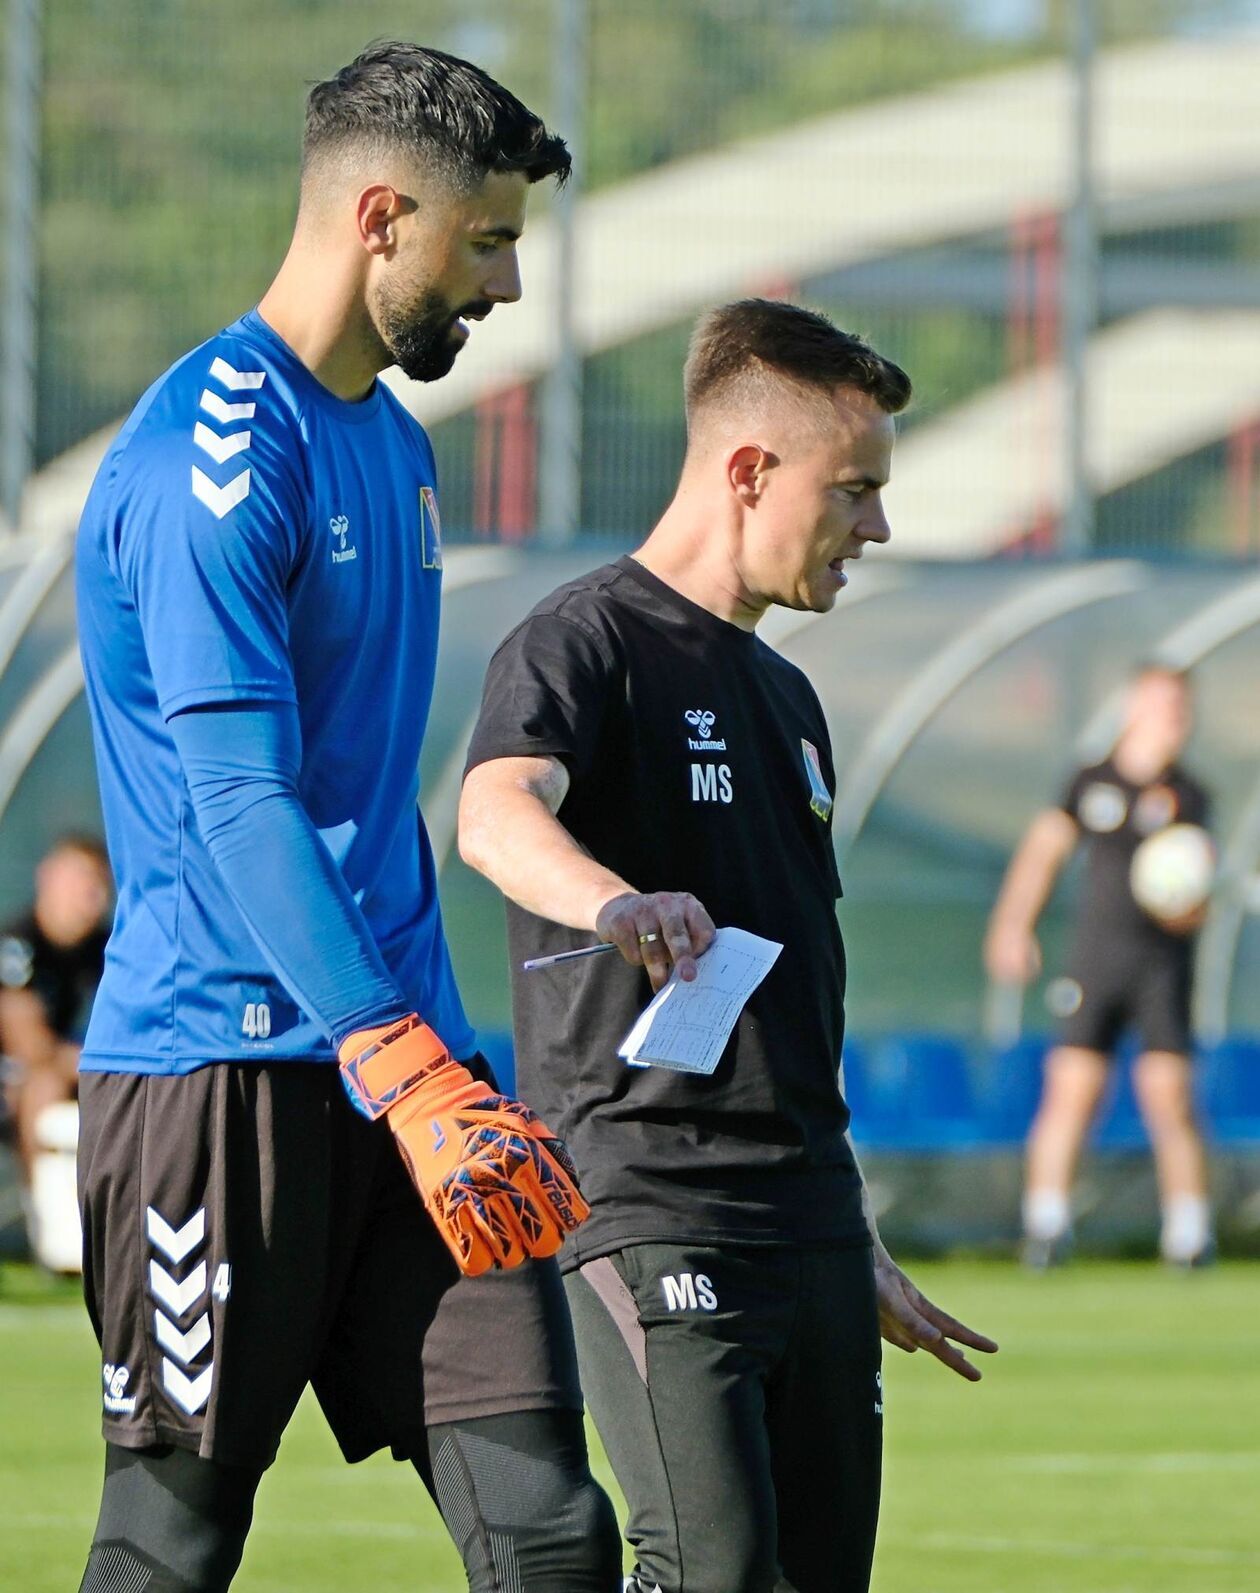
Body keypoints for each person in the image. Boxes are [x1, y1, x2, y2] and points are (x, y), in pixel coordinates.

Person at [73, 42, 619, 1593]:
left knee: (549, 1527)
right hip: (216, 1073)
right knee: (173, 1536)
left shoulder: (391, 439)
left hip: (403, 1069)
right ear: (384, 215)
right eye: (490, 239)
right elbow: (240, 800)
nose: (507, 284)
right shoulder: (210, 459)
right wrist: (401, 1060)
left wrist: (417, 1063)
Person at [459, 299, 998, 1593]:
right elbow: (493, 812)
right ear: (751, 472)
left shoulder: (788, 697)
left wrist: (853, 1227)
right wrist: (610, 902)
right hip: (652, 1205)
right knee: (712, 1568)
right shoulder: (584, 642)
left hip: (808, 1221)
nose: (878, 526)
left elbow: (795, 995)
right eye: (857, 490)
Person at [984, 664, 1214, 1268]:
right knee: (1073, 1089)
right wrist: (1013, 926)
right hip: (1098, 962)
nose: (1173, 720)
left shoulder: (1191, 794)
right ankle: (1046, 1226)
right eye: (1163, 706)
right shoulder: (1092, 781)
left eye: (1181, 709)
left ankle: (1190, 1236)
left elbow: (1197, 888)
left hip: (1163, 967)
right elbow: (1043, 853)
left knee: (1171, 1096)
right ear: (1134, 708)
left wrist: (1190, 905)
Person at [0, 834, 111, 1272]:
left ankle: (103, 1234)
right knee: (40, 1087)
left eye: (97, 885)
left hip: (76, 1072)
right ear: (48, 880)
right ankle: (44, 1229)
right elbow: (32, 1048)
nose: (89, 897)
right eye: (78, 882)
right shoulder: (18, 946)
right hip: (22, 1079)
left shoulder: (107, 951)